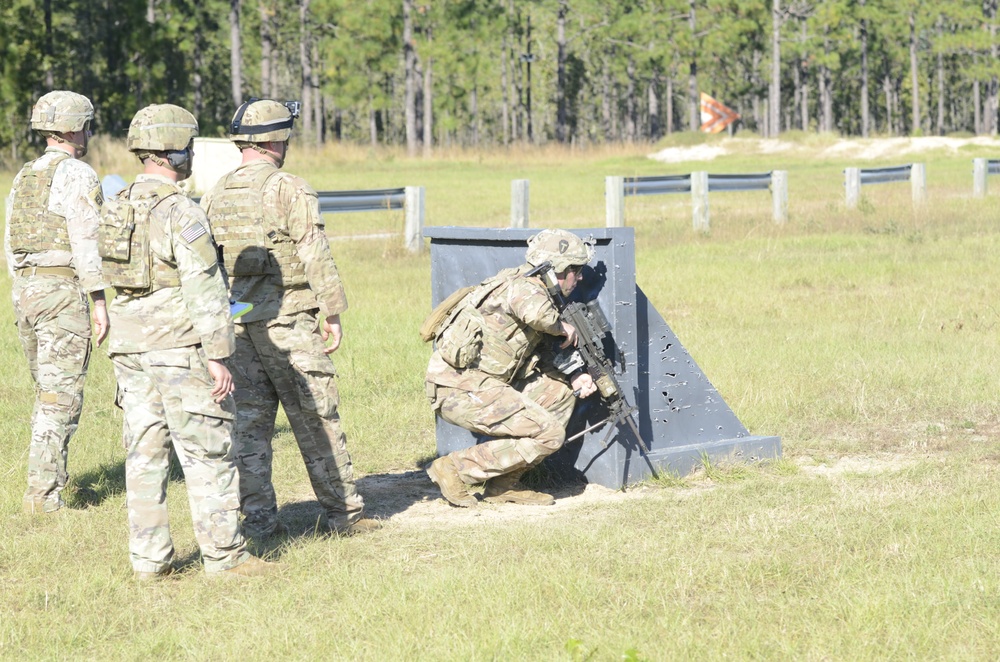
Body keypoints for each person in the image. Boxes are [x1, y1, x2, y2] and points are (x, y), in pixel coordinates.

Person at [101, 103, 273, 579]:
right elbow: (204, 286)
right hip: (178, 345)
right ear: (176, 152)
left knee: (144, 453)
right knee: (207, 450)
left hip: (129, 345)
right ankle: (225, 556)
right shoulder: (181, 210)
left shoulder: (114, 204)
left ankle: (149, 560)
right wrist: (218, 355)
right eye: (190, 147)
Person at [201, 98, 377, 538]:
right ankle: (344, 515)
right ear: (277, 140)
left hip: (237, 324)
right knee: (316, 417)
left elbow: (207, 267)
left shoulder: (214, 193)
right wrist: (332, 312)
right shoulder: (289, 187)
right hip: (290, 319)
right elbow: (313, 252)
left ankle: (259, 522)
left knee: (249, 429)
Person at [424, 229, 599, 507]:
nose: (578, 278)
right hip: (458, 389)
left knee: (559, 393)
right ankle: (455, 468)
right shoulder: (525, 287)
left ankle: (503, 486)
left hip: (481, 385)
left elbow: (536, 351)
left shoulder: (523, 282)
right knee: (550, 435)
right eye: (574, 270)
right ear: (555, 270)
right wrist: (562, 326)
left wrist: (576, 376)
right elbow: (536, 314)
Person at [4, 90, 109, 515]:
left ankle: (48, 483)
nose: (86, 132)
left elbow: (11, 242)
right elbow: (86, 239)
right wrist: (99, 297)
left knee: (46, 391)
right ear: (71, 129)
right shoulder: (78, 174)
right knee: (58, 397)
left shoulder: (23, 176)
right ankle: (42, 497)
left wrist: (22, 289)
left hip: (25, 292)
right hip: (62, 291)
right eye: (84, 125)